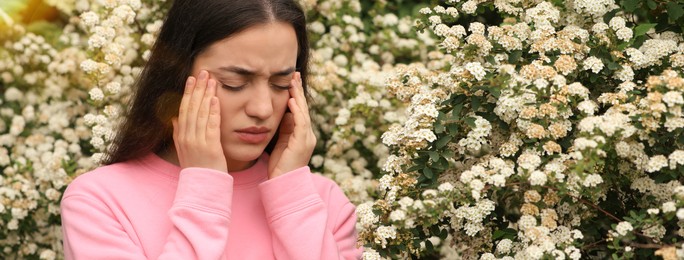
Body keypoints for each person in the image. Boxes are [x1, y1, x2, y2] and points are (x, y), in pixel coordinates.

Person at [60, 0, 363, 259]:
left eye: (280, 84)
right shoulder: (99, 202)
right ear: (178, 77)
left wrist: (292, 200)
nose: (262, 108)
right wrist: (204, 190)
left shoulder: (322, 204)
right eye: (235, 83)